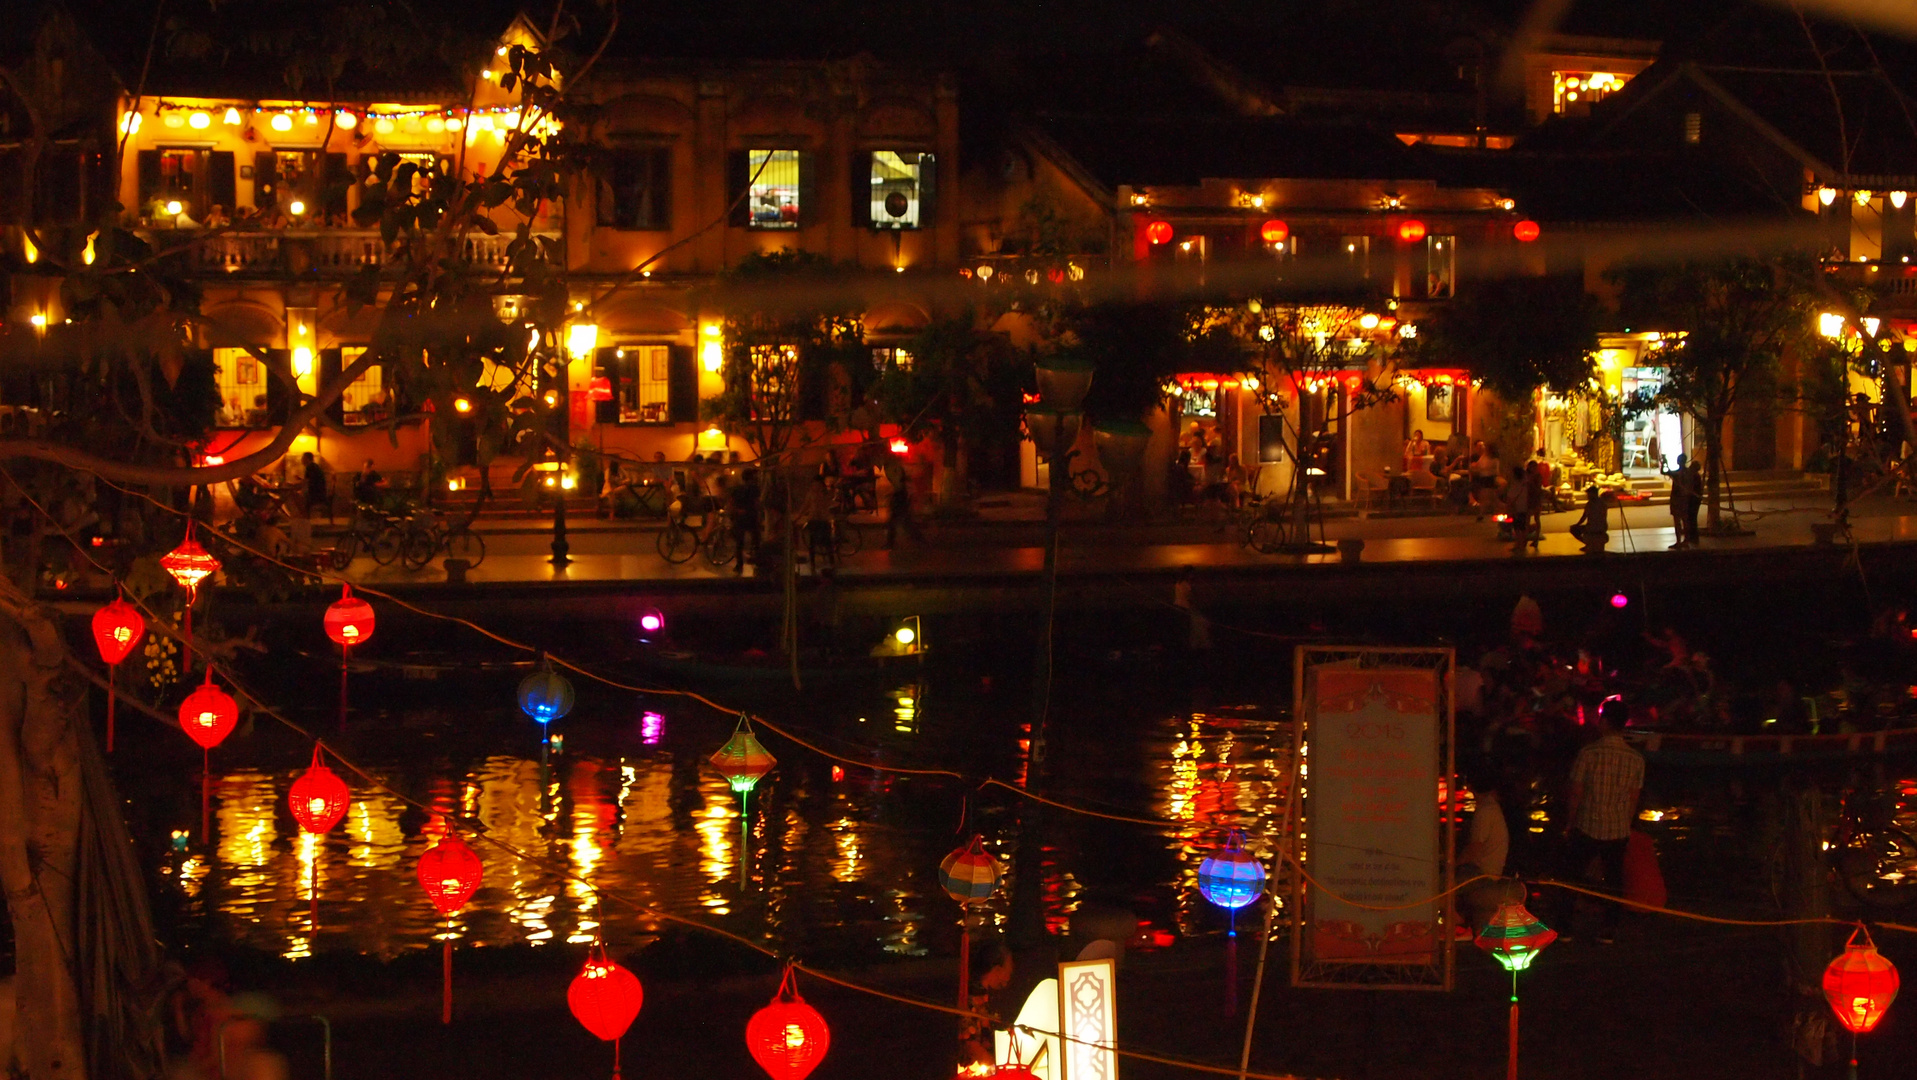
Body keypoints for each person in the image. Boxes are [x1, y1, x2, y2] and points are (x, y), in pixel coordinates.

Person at [1550, 698, 1644, 943]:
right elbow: (1633, 799)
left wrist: (1570, 822)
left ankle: (1565, 928)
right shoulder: (1636, 759)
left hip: (1587, 825)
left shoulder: (1589, 753)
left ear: (1603, 722)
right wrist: (1627, 824)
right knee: (1614, 880)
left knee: (1573, 877)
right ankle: (1608, 930)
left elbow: (1576, 793)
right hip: (1617, 828)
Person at [958, 940, 1015, 1068]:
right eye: (1009, 970)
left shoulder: (985, 994)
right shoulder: (972, 996)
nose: (1010, 976)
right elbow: (970, 1043)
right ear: (997, 969)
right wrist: (994, 1068)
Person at [728, 470, 761, 574]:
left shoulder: (736, 489)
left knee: (739, 542)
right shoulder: (755, 488)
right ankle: (758, 563)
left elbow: (731, 502)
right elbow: (756, 503)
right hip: (751, 515)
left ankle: (739, 565)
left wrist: (736, 511)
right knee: (756, 540)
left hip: (740, 516)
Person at [1665, 453, 1698, 549]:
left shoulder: (1680, 473)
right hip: (1683, 497)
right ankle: (1683, 541)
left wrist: (1665, 463)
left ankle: (1681, 541)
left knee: (1680, 520)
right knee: (1683, 520)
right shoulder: (1687, 473)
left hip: (1679, 498)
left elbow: (1667, 472)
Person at [1568, 485, 1609, 549]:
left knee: (1573, 529)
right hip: (1602, 527)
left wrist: (1576, 525)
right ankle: (1590, 544)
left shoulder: (1590, 504)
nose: (1588, 496)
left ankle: (1588, 544)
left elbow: (1584, 517)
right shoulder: (1603, 502)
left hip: (1592, 527)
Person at [301, 452, 329, 520]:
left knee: (299, 500)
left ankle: (304, 519)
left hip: (316, 495)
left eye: (303, 458)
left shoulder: (310, 467)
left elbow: (308, 482)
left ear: (307, 459)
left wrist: (295, 485)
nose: (301, 460)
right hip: (319, 493)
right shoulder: (314, 466)